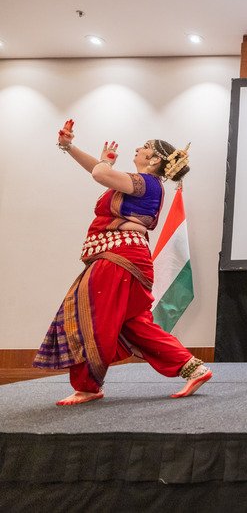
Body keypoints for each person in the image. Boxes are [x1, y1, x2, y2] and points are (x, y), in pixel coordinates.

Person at [34, 119, 212, 405]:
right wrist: (69, 147)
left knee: (92, 315)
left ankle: (88, 386)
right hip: (123, 257)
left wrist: (105, 162)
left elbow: (101, 174)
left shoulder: (145, 183)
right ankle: (193, 368)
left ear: (153, 160)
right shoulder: (141, 184)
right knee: (133, 323)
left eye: (146, 147)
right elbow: (100, 170)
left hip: (120, 258)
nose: (139, 148)